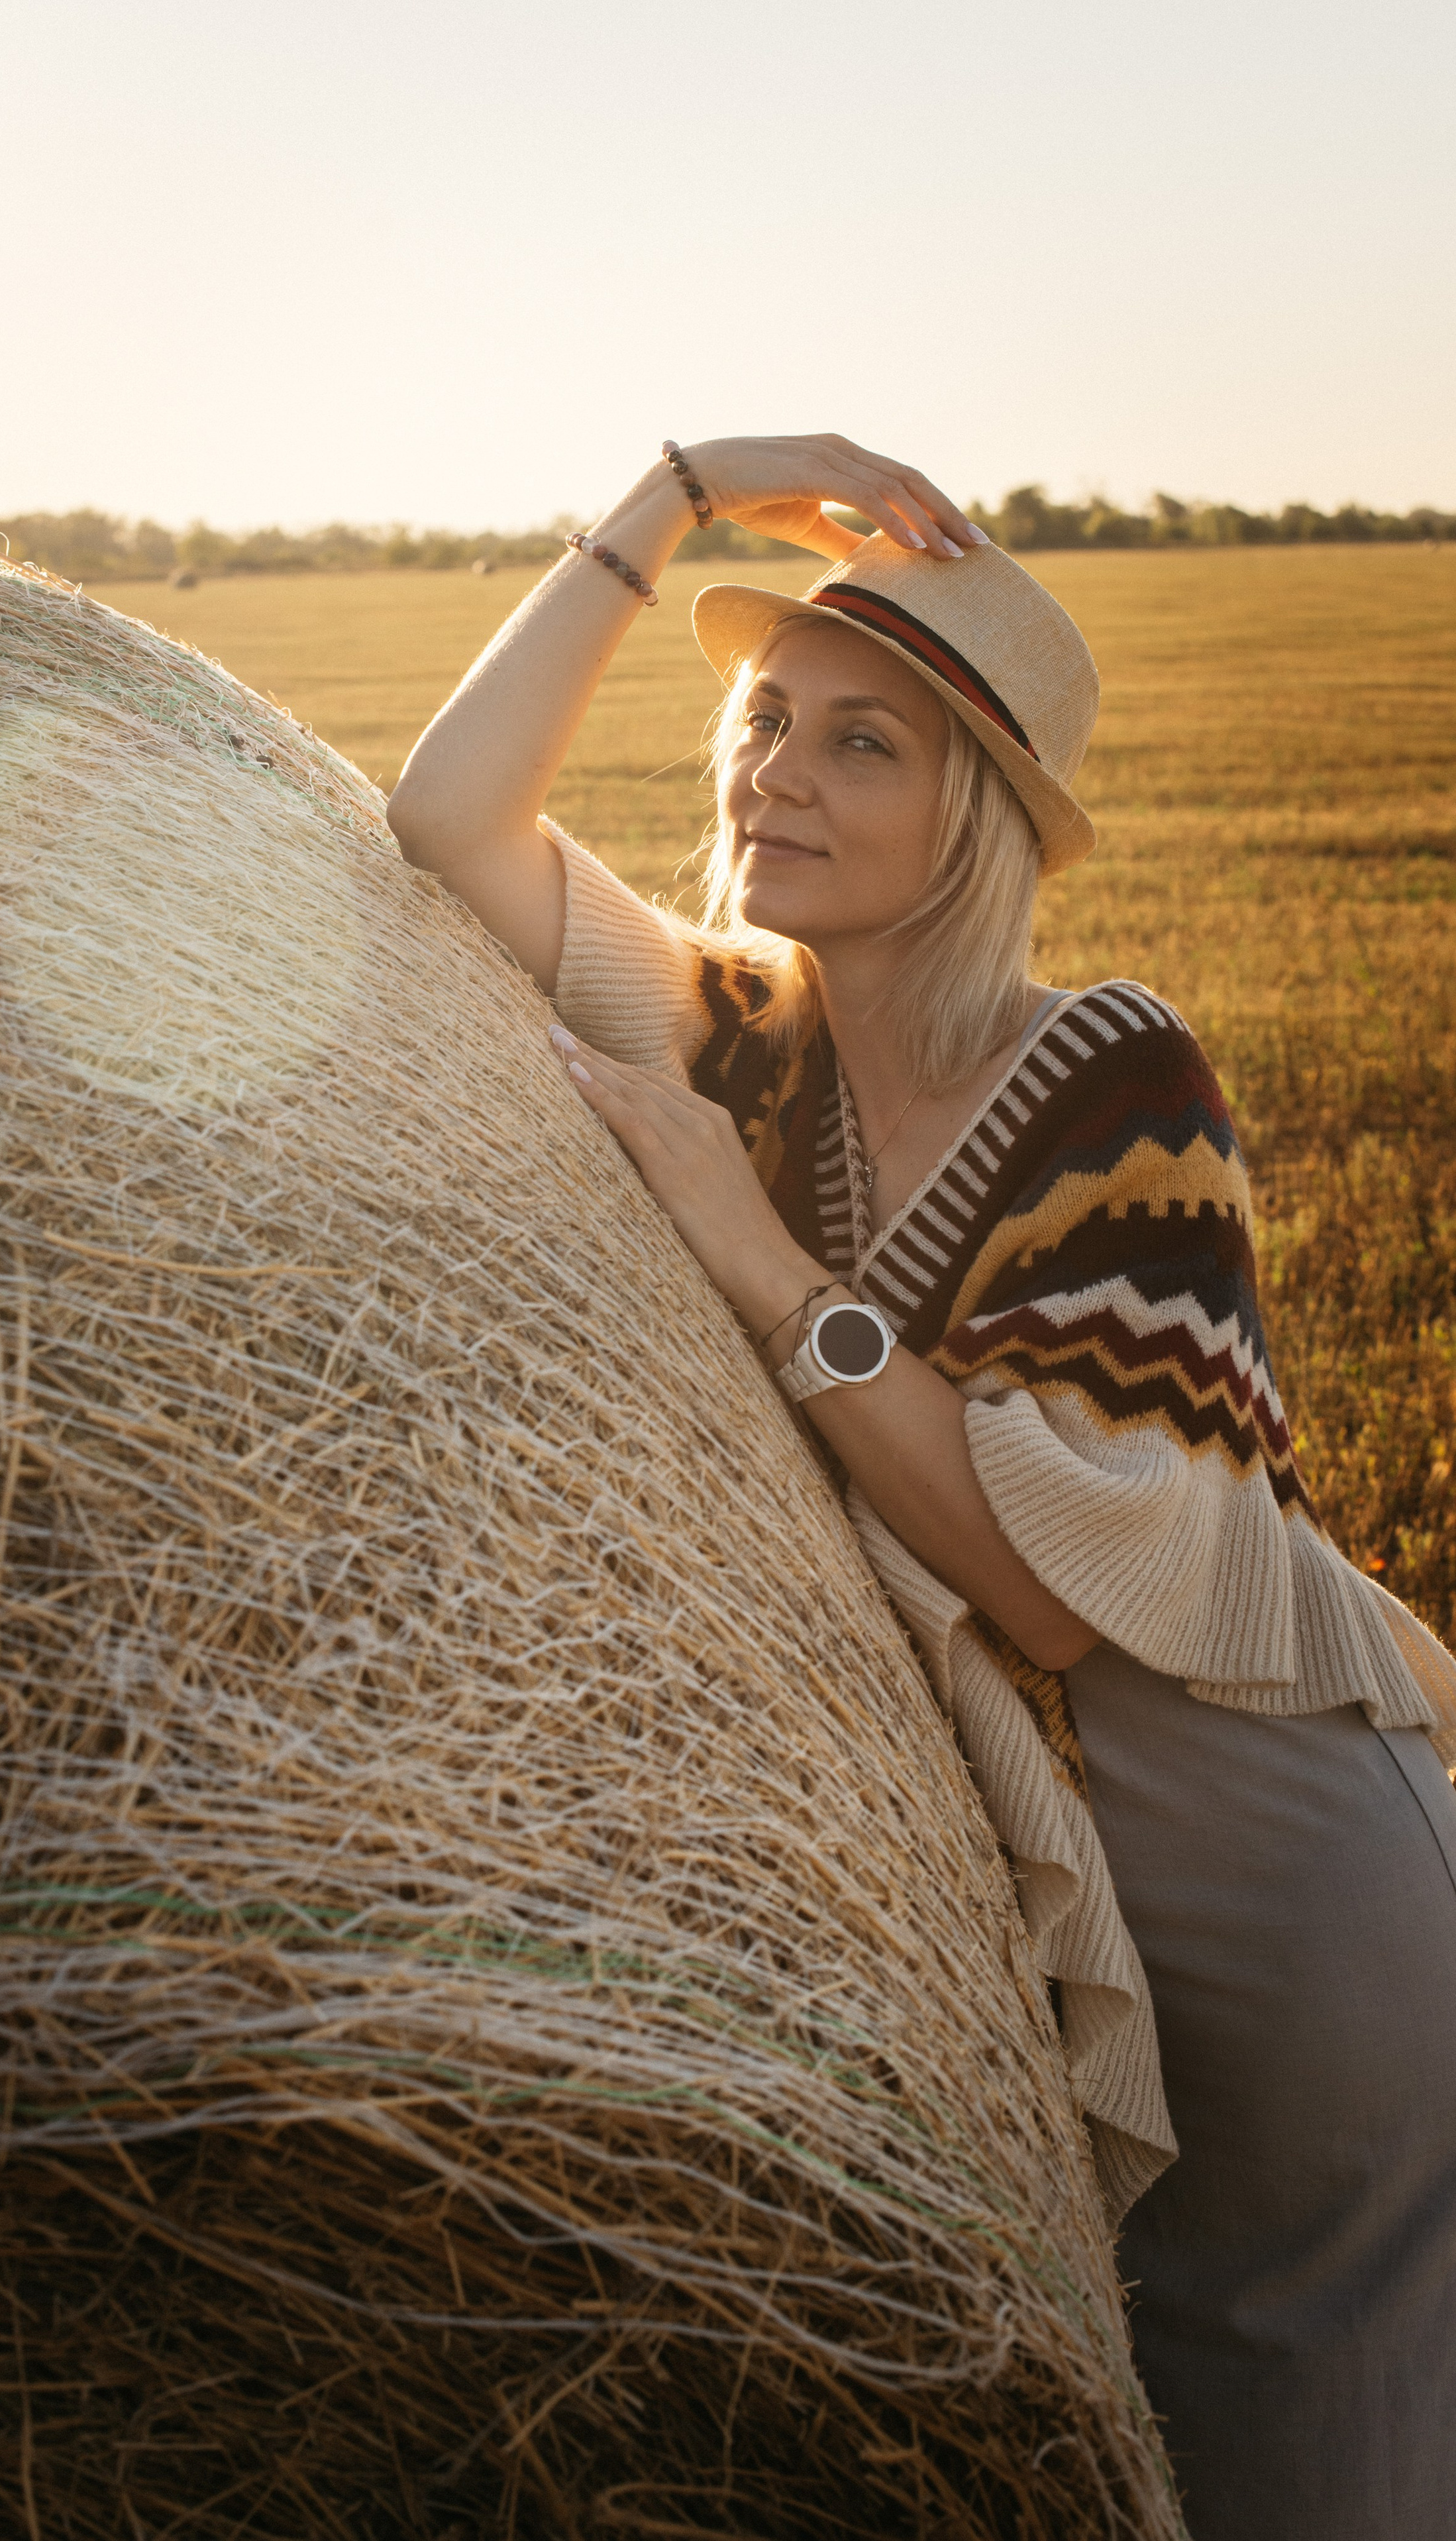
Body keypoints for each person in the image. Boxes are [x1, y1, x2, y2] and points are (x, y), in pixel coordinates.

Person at [386, 434, 1456, 2540]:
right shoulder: (743, 1039)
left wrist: (761, 1264)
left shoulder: (1112, 1078)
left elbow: (1054, 1582)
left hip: (1289, 1886)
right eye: (764, 719)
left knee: (1320, 2460)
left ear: (970, 817)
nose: (776, 770)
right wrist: (681, 486)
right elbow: (445, 816)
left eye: (860, 743)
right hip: (1044, 1913)